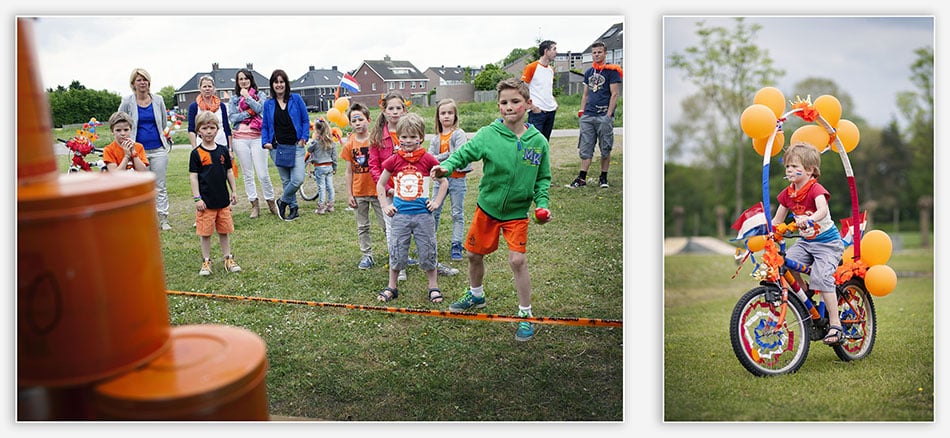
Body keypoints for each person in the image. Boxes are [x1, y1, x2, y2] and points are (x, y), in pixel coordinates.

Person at [431, 77, 552, 342]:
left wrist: (541, 204)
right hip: (487, 208)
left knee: (517, 261)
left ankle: (525, 315)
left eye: (515, 102)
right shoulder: (488, 134)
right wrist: (447, 167)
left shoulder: (538, 142)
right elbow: (464, 154)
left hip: (517, 213)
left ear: (528, 104)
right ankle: (476, 295)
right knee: (474, 255)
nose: (509, 107)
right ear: (498, 106)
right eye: (504, 103)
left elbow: (543, 178)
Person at [770, 142, 844, 345]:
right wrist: (769, 229)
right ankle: (806, 293)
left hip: (828, 244)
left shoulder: (815, 189)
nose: (790, 170)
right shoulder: (788, 194)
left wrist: (810, 219)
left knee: (821, 276)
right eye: (787, 166)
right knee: (784, 263)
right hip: (806, 242)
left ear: (810, 170)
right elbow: (778, 220)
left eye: (795, 166)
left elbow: (822, 210)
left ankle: (836, 325)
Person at [376, 113, 449, 304]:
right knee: (397, 250)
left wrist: (436, 202)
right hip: (400, 216)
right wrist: (385, 205)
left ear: (421, 138)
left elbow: (444, 183)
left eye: (412, 137)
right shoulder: (394, 160)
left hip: (423, 216)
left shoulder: (428, 159)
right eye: (404, 137)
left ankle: (433, 286)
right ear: (398, 137)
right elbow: (380, 184)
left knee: (427, 250)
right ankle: (392, 286)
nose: (408, 141)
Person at [118, 68, 173, 230]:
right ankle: (144, 217)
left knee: (160, 184)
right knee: (140, 184)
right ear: (133, 83)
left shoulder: (158, 100)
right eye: (139, 80)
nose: (142, 83)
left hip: (158, 149)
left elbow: (163, 123)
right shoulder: (127, 101)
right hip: (136, 151)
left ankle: (163, 218)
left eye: (145, 80)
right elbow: (119, 122)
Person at [189, 111, 241, 276]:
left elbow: (229, 172)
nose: (209, 131)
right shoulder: (196, 153)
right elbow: (194, 177)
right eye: (205, 128)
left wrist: (234, 191)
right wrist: (197, 198)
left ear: (217, 129)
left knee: (224, 231)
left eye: (212, 127)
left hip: (223, 201)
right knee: (205, 233)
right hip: (206, 203)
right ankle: (206, 261)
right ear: (199, 131)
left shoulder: (223, 151)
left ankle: (228, 258)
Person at [368, 91, 413, 280]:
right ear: (384, 111)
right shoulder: (378, 136)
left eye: (399, 108)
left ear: (404, 110)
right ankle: (398, 264)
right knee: (392, 228)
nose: (395, 112)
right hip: (388, 193)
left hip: (410, 189)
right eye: (391, 108)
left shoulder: (410, 132)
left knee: (408, 226)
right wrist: (387, 188)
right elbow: (373, 166)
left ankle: (404, 255)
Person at [567, 40, 622, 189]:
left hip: (603, 115)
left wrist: (608, 115)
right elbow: (585, 94)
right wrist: (582, 111)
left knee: (605, 147)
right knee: (585, 147)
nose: (596, 55)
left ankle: (603, 177)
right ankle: (582, 178)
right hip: (588, 116)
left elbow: (615, 94)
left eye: (599, 52)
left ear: (605, 53)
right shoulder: (589, 72)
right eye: (594, 53)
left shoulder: (612, 71)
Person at [340, 103, 387, 270]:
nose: (358, 123)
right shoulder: (349, 145)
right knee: (363, 226)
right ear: (350, 124)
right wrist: (350, 194)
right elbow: (348, 171)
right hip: (359, 192)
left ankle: (397, 252)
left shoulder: (376, 140)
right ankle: (367, 255)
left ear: (368, 120)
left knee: (387, 224)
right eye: (354, 120)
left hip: (377, 191)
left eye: (361, 119)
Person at [227, 68, 279, 218]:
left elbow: (261, 109)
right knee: (247, 174)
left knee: (262, 173)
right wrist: (249, 112)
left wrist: (248, 99)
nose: (243, 81)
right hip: (240, 139)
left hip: (257, 137)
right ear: (237, 82)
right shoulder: (234, 99)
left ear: (251, 80)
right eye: (240, 79)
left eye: (246, 78)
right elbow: (233, 118)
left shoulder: (260, 95)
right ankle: (254, 205)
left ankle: (271, 202)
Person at [261, 69, 311, 221]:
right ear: (272, 85)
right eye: (276, 82)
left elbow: (305, 120)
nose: (279, 85)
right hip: (277, 148)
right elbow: (265, 126)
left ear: (286, 83)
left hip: (296, 146)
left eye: (281, 81)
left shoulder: (296, 99)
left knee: (297, 179)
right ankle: (293, 208)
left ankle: (282, 201)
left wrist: (304, 137)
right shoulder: (268, 104)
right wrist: (265, 143)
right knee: (286, 181)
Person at [427, 98, 469, 275]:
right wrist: (445, 154)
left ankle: (456, 244)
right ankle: (429, 244)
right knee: (433, 211)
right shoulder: (436, 138)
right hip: (439, 180)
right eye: (443, 113)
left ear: (455, 115)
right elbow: (430, 158)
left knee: (457, 213)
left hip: (457, 179)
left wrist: (441, 156)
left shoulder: (459, 134)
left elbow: (459, 155)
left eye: (450, 113)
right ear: (438, 116)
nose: (446, 116)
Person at [521, 39, 558, 140]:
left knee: (545, 143)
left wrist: (554, 102)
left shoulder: (551, 70)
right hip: (537, 113)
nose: (556, 52)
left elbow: (547, 89)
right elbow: (522, 89)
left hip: (551, 111)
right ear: (546, 51)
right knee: (534, 143)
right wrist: (532, 107)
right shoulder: (531, 67)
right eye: (554, 49)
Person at [188, 75, 232, 150]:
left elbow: (227, 128)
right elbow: (191, 129)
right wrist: (194, 148)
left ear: (214, 88)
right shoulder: (194, 107)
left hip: (221, 144)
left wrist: (230, 148)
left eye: (209, 86)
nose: (207, 89)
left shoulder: (221, 106)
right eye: (204, 86)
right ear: (200, 88)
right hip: (202, 146)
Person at [306, 118, 338, 214]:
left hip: (319, 167)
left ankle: (321, 207)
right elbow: (334, 156)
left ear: (317, 130)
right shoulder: (331, 142)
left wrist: (314, 140)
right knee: (330, 186)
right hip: (329, 166)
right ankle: (331, 205)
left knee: (321, 187)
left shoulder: (316, 142)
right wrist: (335, 167)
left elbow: (309, 149)